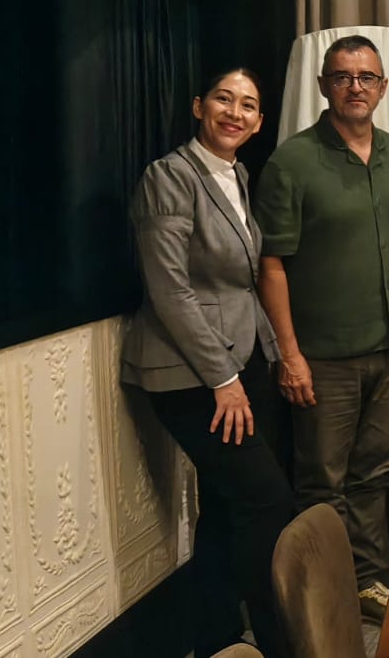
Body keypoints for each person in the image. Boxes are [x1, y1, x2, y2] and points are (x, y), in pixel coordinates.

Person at [123, 69, 294, 658]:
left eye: (248, 105)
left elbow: (238, 280)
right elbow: (170, 290)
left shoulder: (236, 174)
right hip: (189, 371)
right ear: (199, 106)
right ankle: (279, 640)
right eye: (224, 99)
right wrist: (223, 378)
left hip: (242, 357)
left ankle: (217, 638)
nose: (235, 112)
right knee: (267, 499)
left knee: (226, 503)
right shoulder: (168, 176)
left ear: (259, 122)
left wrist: (265, 359)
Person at [255, 35, 389, 627]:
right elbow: (270, 265)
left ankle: (370, 582)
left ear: (383, 87)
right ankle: (323, 600)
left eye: (367, 77)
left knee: (375, 473)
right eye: (344, 76)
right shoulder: (293, 162)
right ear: (325, 85)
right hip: (323, 355)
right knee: (321, 483)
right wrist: (290, 355)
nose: (356, 86)